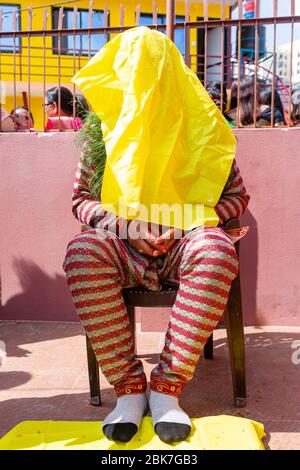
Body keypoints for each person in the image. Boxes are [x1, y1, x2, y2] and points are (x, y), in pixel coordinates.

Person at [63, 27, 250, 445]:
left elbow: (237, 197)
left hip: (183, 245)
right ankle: (129, 390)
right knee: (81, 250)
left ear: (174, 75)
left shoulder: (206, 132)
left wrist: (186, 224)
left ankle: (166, 388)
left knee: (216, 249)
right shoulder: (101, 137)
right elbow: (80, 202)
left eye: (156, 74)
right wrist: (128, 228)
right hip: (123, 247)